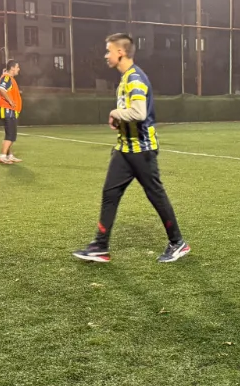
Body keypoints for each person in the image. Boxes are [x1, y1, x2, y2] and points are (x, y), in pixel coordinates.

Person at [73, 33, 190, 264]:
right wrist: (119, 120)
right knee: (110, 194)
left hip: (141, 149)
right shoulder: (125, 77)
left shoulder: (135, 78)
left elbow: (139, 113)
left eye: (108, 51)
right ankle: (100, 246)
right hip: (125, 149)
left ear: (120, 52)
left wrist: (114, 113)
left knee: (156, 195)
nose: (106, 55)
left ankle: (178, 243)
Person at [0, 60, 22, 164]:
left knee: (10, 134)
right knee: (11, 134)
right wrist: (10, 101)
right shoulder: (7, 77)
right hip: (7, 109)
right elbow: (1, 88)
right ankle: (2, 156)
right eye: (17, 67)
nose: (18, 69)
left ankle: (9, 155)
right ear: (12, 68)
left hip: (10, 110)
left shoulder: (9, 78)